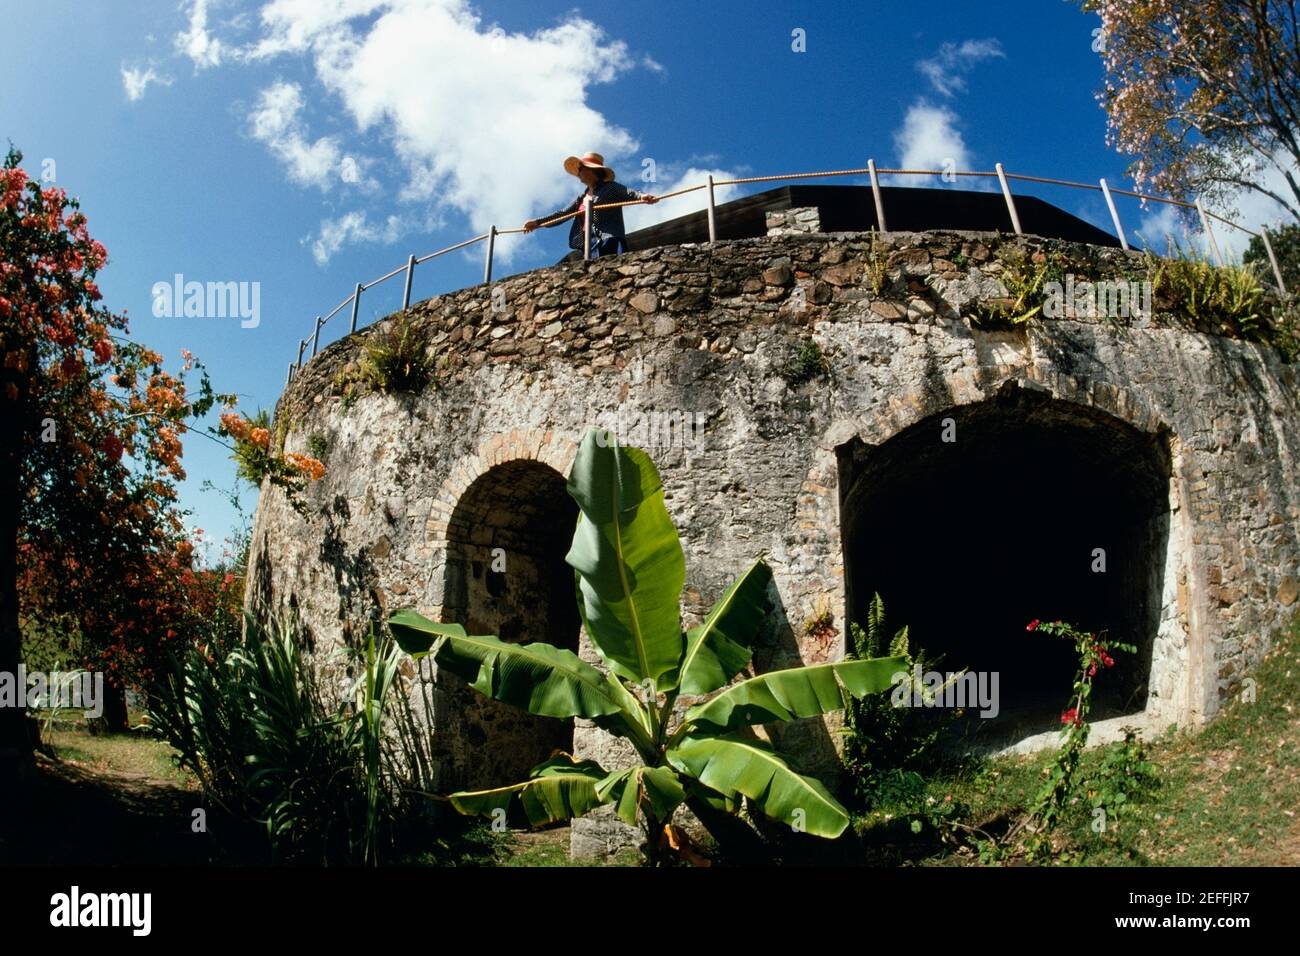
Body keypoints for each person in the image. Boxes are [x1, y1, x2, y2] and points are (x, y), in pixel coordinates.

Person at [524, 152, 657, 261]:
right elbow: (561, 214)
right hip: (589, 243)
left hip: (609, 239)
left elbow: (629, 192)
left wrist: (642, 196)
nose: (579, 173)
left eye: (581, 169)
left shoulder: (610, 188)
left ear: (592, 171)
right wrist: (537, 222)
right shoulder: (581, 199)